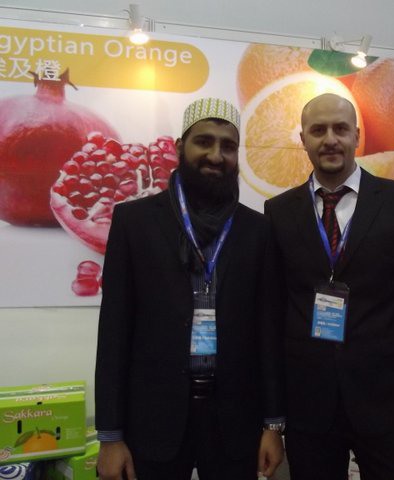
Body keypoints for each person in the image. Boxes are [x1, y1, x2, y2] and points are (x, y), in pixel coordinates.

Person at [95, 98, 285, 480]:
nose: (216, 155)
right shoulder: (134, 222)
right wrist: (110, 436)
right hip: (154, 419)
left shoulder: (258, 230)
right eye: (204, 142)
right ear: (180, 147)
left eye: (228, 146)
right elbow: (114, 331)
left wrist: (273, 424)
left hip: (235, 420)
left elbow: (268, 333)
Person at [264, 93, 394, 480]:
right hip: (309, 403)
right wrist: (273, 417)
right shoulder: (278, 212)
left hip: (388, 399)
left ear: (357, 136)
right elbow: (273, 313)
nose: (330, 139)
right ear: (303, 139)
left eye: (340, 128)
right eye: (318, 130)